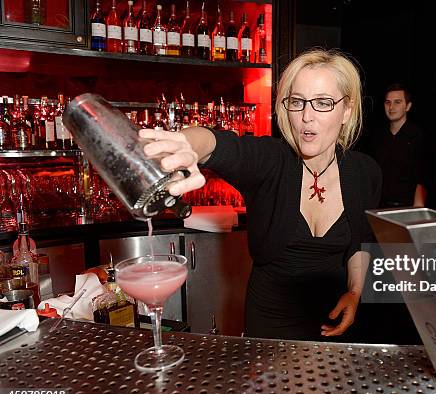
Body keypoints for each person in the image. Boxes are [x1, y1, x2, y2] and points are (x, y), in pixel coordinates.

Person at [139, 49, 382, 341]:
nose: (306, 116)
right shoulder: (270, 161)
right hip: (269, 326)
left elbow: (361, 241)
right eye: (297, 102)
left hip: (333, 320)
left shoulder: (365, 173)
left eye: (322, 103)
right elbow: (217, 143)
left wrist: (355, 292)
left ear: (347, 110)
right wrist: (188, 143)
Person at [364, 84, 426, 207]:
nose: (391, 107)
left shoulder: (418, 136)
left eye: (397, 102)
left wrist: (418, 207)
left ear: (408, 106)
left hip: (406, 206)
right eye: (388, 102)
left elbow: (423, 175)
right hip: (378, 205)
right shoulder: (376, 135)